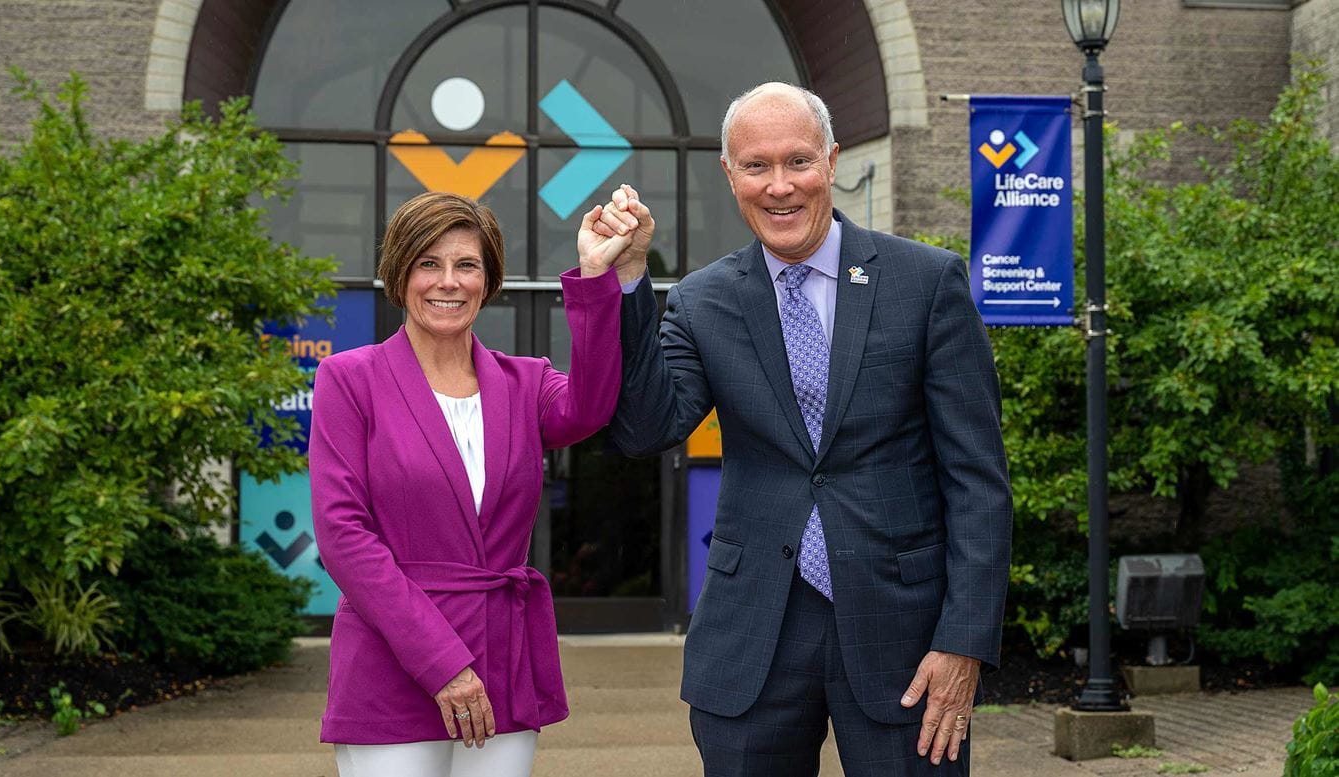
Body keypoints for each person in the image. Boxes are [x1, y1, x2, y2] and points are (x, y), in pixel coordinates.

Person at [598, 83, 1013, 775]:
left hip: (905, 638)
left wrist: (963, 640)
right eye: (756, 166)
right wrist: (633, 278)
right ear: (730, 175)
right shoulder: (703, 300)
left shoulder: (924, 282)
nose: (779, 186)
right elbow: (646, 428)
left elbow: (977, 480)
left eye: (798, 161)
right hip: (752, 633)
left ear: (833, 159)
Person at [310, 190, 647, 777]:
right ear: (399, 274)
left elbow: (592, 406)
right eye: (428, 263)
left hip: (501, 658)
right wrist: (442, 664)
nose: (449, 282)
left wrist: (596, 275)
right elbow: (343, 537)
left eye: (467, 264)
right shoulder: (349, 379)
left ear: (489, 280)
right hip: (392, 659)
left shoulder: (526, 383)